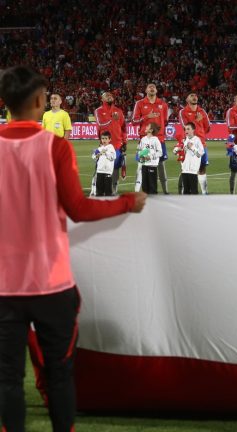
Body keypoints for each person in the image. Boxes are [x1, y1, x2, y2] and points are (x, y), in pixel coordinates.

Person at [0, 65, 146, 432]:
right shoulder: (55, 146)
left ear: (5, 103)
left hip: (3, 286)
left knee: (7, 378)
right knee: (60, 374)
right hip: (51, 283)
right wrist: (127, 203)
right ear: (39, 101)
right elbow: (78, 209)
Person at [132, 83, 169, 193]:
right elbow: (134, 121)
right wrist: (147, 116)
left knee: (161, 165)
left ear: (156, 90)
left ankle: (166, 192)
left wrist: (158, 130)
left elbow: (165, 122)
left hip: (159, 140)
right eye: (149, 87)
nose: (152, 88)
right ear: (146, 90)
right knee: (141, 164)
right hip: (145, 140)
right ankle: (137, 192)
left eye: (154, 87)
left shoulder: (163, 104)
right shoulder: (140, 103)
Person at [94, 91, 127, 194]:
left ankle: (114, 190)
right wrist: (111, 119)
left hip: (117, 145)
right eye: (106, 95)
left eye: (111, 95)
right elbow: (100, 125)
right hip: (105, 146)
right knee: (100, 168)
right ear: (102, 99)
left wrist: (125, 142)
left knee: (115, 168)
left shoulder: (119, 111)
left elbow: (123, 128)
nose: (109, 96)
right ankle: (96, 190)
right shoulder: (98, 111)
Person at [179, 93, 211, 194]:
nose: (194, 97)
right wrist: (196, 121)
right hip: (188, 144)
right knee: (186, 168)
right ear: (187, 99)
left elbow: (207, 127)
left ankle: (204, 192)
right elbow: (185, 126)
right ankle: (184, 191)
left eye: (195, 96)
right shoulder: (183, 112)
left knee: (202, 168)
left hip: (201, 143)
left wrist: (200, 134)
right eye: (191, 96)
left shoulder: (202, 111)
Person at [177, 123, 205, 195]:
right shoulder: (184, 140)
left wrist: (192, 148)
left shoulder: (197, 140)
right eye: (185, 129)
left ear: (193, 130)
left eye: (188, 129)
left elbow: (201, 153)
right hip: (184, 170)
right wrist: (177, 150)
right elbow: (179, 153)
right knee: (186, 191)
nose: (186, 131)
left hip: (193, 171)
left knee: (194, 191)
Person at [137, 122, 162, 194]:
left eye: (148, 126)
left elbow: (160, 152)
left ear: (151, 130)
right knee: (144, 187)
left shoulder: (156, 140)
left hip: (152, 165)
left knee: (152, 187)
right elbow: (140, 151)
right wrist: (141, 155)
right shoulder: (143, 139)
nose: (146, 127)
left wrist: (150, 157)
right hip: (144, 165)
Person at [91, 131, 117, 196]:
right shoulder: (99, 148)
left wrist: (105, 152)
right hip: (99, 172)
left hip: (107, 172)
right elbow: (93, 156)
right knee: (99, 192)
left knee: (108, 192)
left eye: (106, 138)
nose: (104, 140)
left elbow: (113, 157)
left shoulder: (111, 148)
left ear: (109, 139)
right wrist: (97, 155)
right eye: (102, 138)